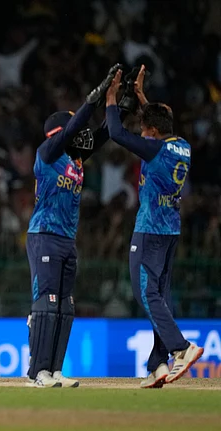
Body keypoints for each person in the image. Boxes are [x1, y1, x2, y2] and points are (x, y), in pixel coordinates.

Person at [105, 66, 204, 388]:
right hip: (171, 230)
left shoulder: (155, 148)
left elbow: (118, 134)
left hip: (149, 231)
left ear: (152, 131)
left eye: (144, 128)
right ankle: (158, 363)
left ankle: (181, 347)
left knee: (145, 293)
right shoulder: (182, 146)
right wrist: (141, 95)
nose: (142, 133)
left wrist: (110, 99)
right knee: (160, 295)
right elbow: (160, 120)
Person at [25, 65, 120, 388]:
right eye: (72, 128)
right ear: (58, 133)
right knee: (47, 304)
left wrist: (117, 103)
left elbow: (104, 134)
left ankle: (53, 371)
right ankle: (37, 372)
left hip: (66, 239)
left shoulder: (75, 158)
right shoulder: (48, 154)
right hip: (44, 236)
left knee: (65, 307)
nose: (81, 134)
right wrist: (91, 101)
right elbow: (72, 131)